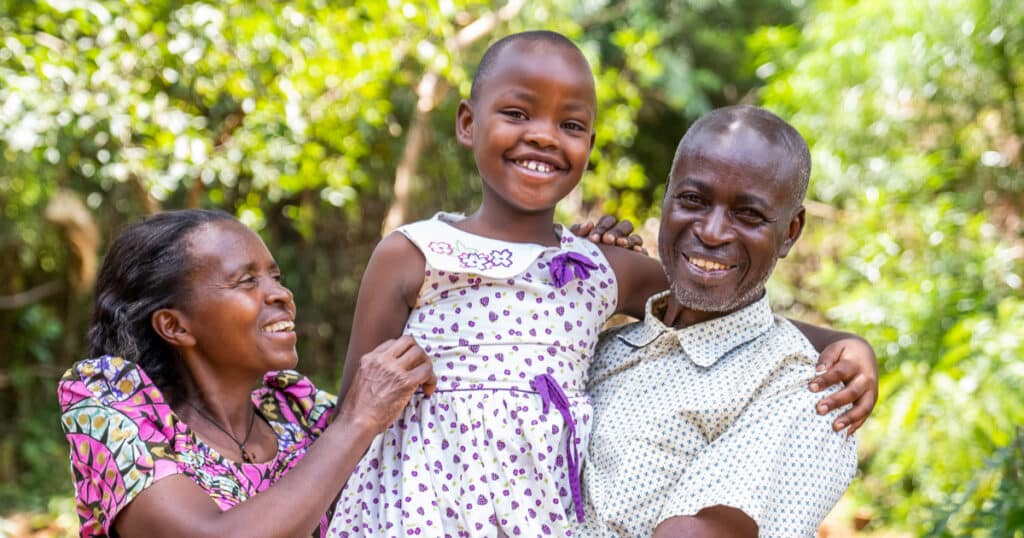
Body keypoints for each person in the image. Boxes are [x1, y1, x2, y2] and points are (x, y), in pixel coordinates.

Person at [327, 32, 875, 537]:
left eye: (569, 126)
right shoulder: (416, 254)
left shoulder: (598, 271)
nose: (543, 136)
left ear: (589, 145)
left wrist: (846, 345)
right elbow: (349, 419)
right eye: (517, 113)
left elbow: (739, 319)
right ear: (468, 123)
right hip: (408, 513)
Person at [58, 209, 436, 537]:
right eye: (247, 281)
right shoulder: (116, 412)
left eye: (276, 277)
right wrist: (357, 420)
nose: (282, 295)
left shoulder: (301, 416)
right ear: (175, 326)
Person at [577, 105, 864, 538]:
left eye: (748, 214)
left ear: (790, 231)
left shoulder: (804, 393)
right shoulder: (598, 342)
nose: (712, 232)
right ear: (667, 198)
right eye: (693, 200)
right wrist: (558, 289)